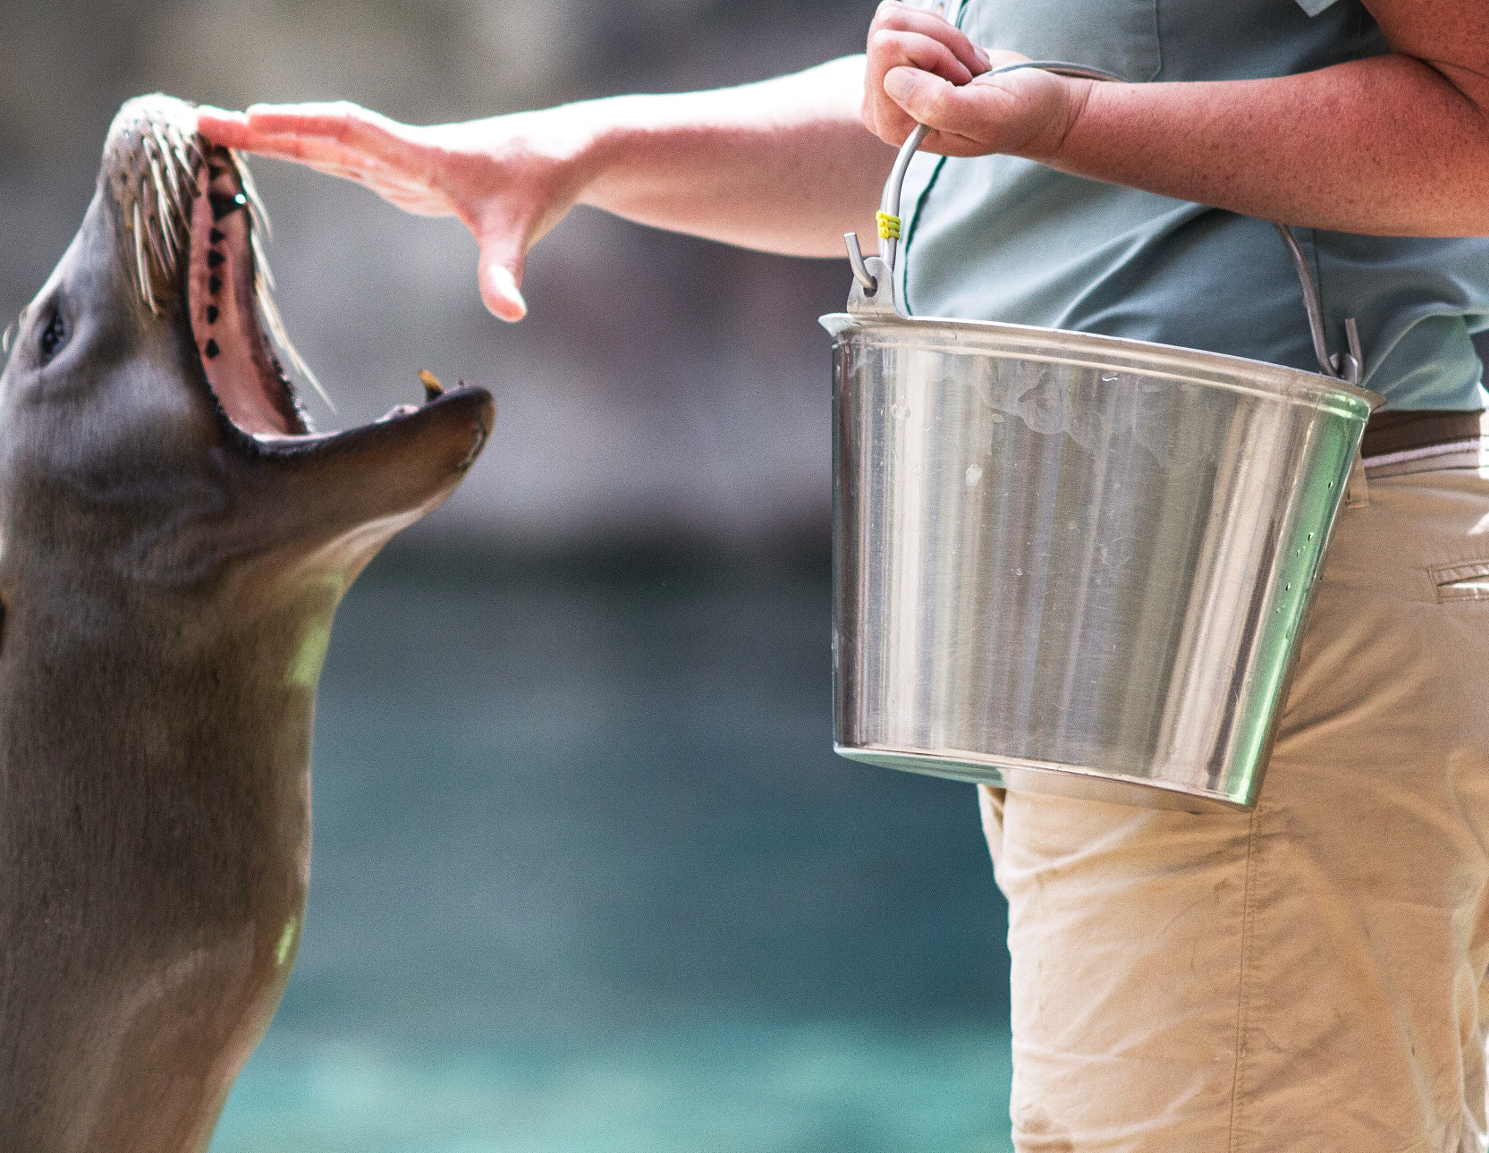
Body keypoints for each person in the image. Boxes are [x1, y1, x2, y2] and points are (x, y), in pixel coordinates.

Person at [201, 1, 1489, 1148]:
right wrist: (576, 153)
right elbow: (959, 141)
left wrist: (1073, 119)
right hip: (1146, 623)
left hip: (1273, 608)